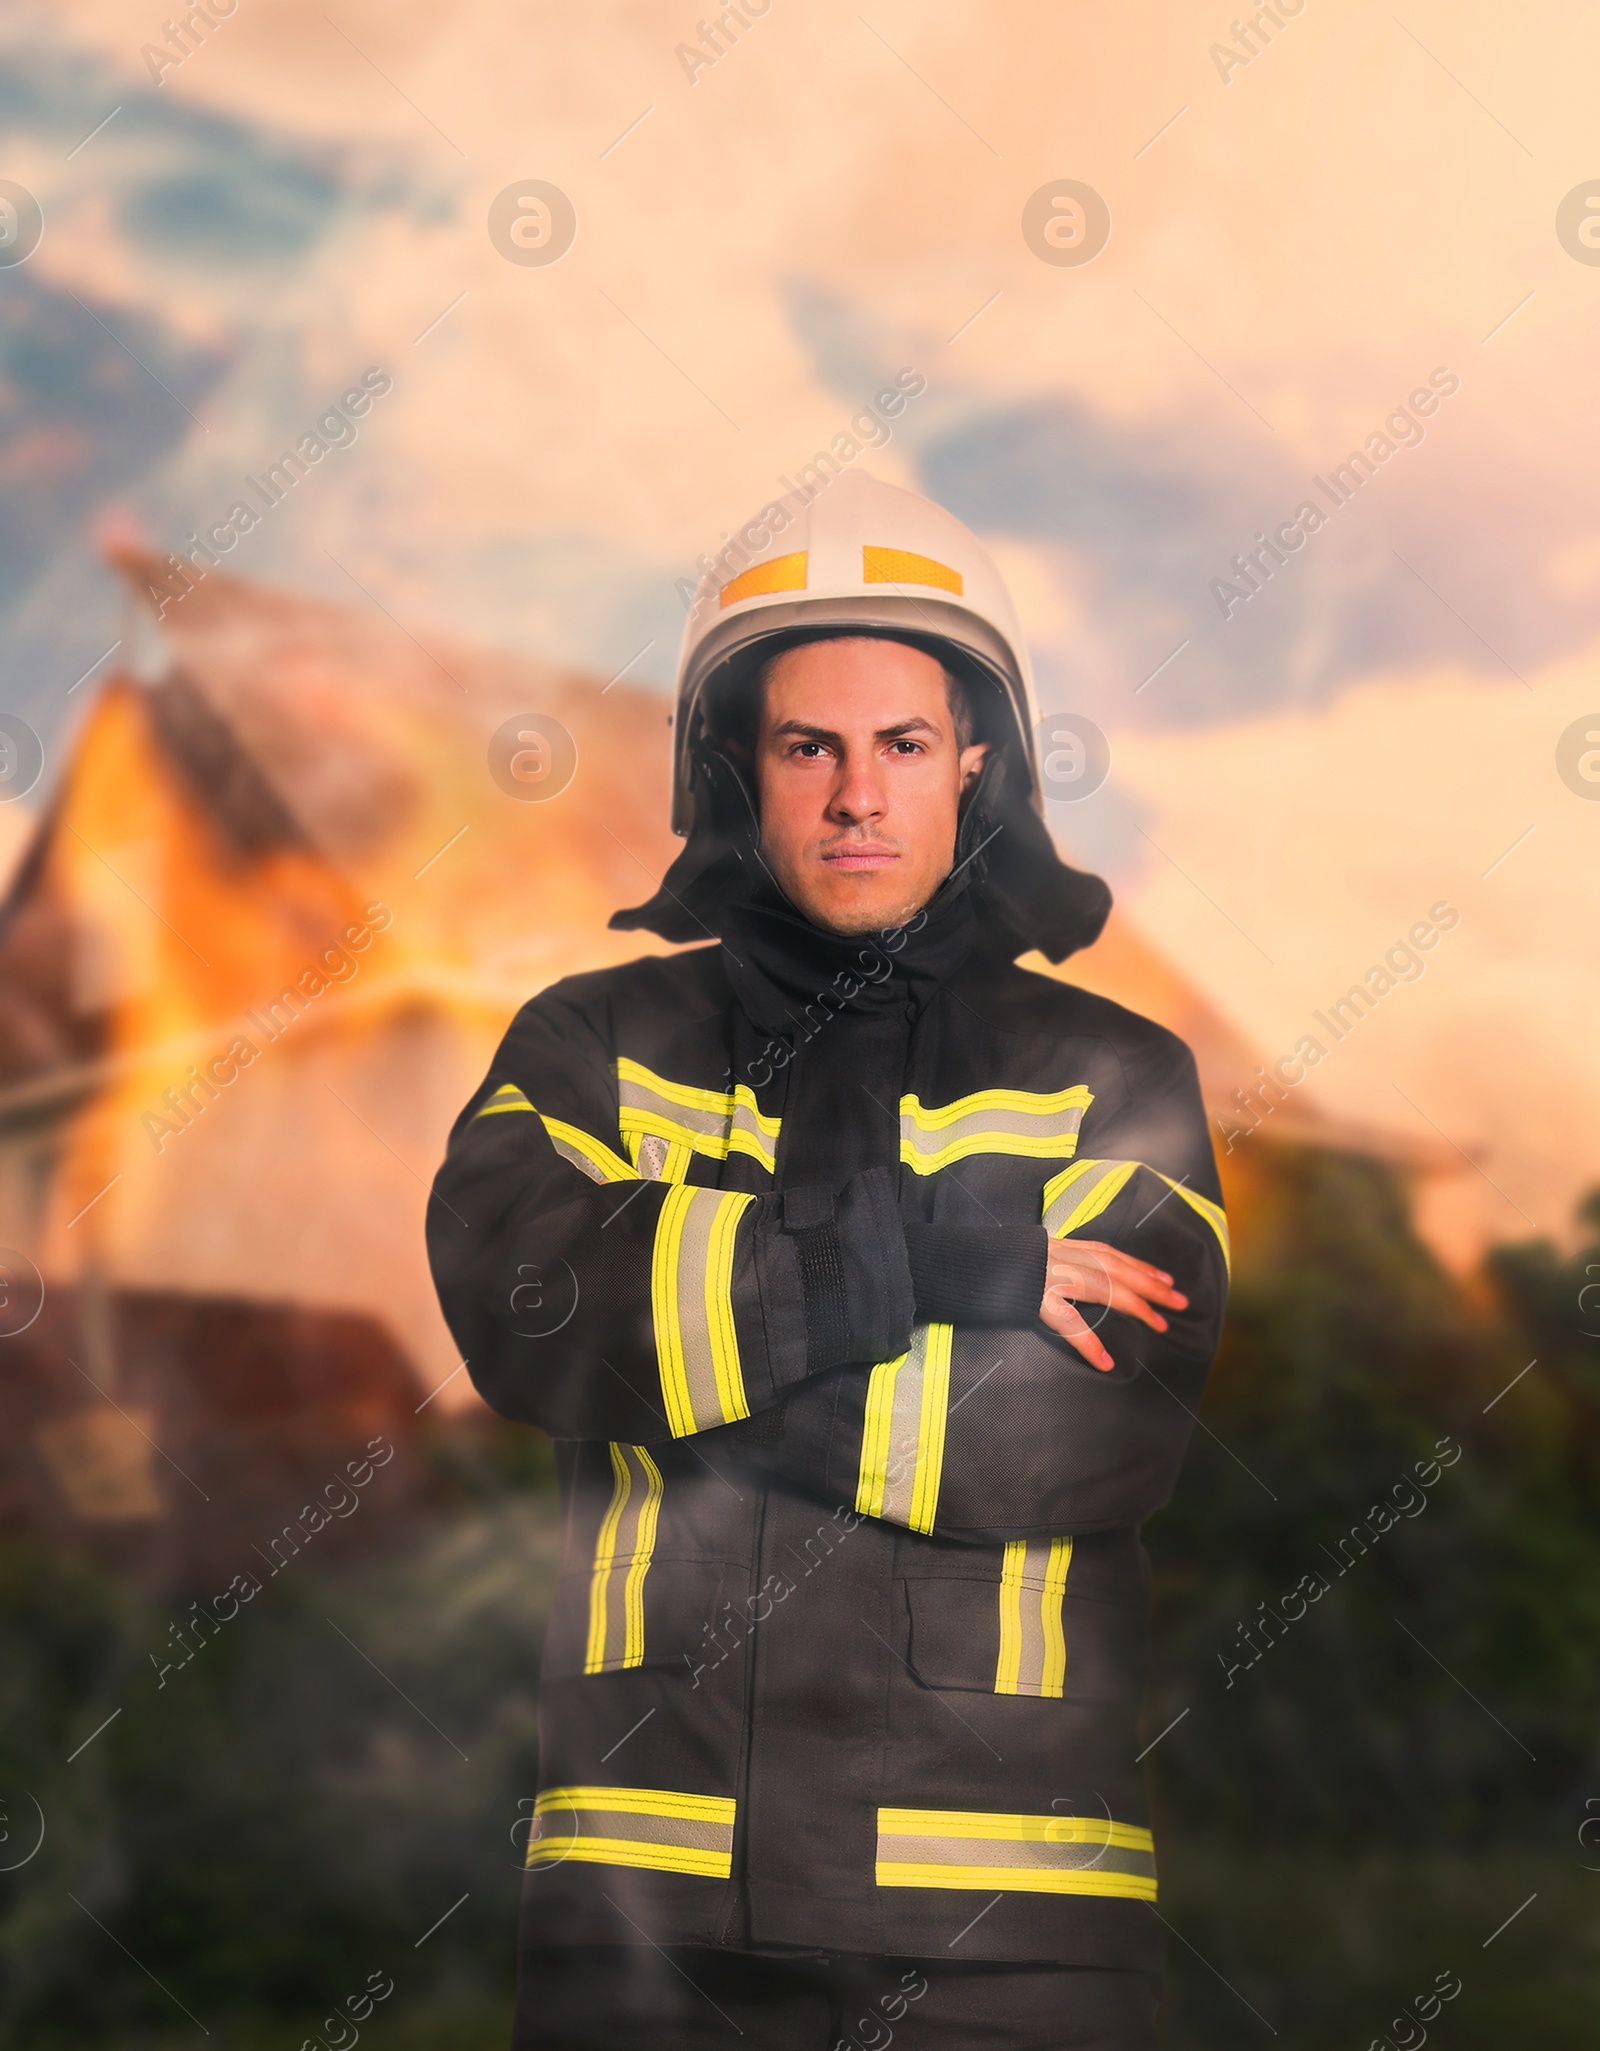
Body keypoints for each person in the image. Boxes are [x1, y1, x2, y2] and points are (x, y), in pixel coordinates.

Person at [427, 469, 1229, 2049]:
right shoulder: (590, 1043)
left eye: (904, 745)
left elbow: (1068, 1438)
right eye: (810, 746)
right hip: (640, 1924)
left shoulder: (1120, 1081)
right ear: (737, 767)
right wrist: (953, 1260)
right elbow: (530, 1311)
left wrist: (675, 1356)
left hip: (1008, 1941)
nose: (859, 797)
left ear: (975, 764)